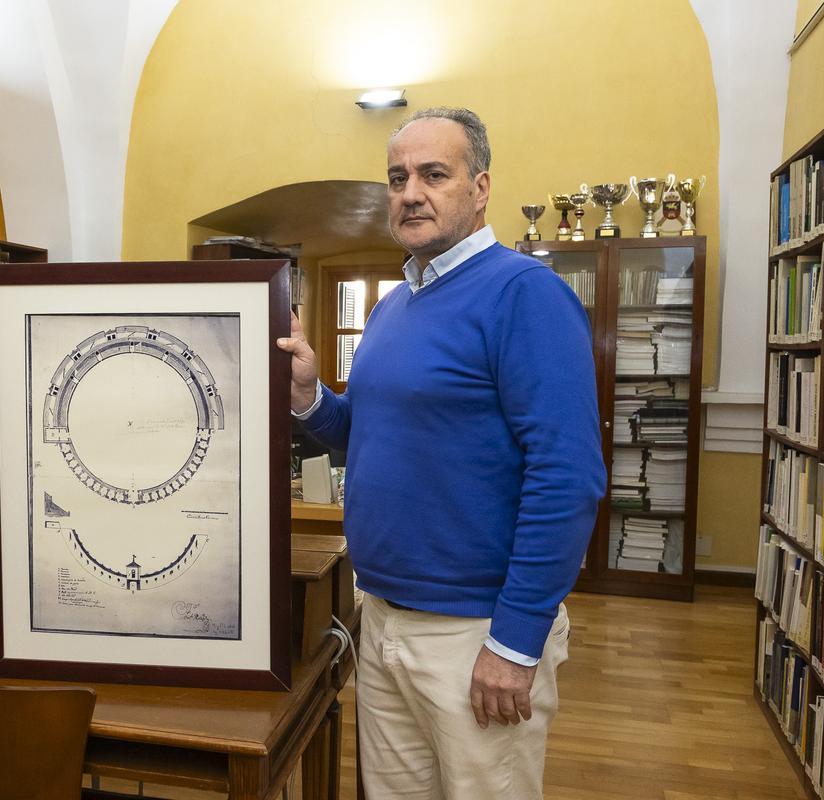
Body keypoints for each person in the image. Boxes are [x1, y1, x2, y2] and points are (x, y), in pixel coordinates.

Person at [276, 107, 606, 799]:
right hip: (385, 618)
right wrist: (310, 399)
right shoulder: (394, 307)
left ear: (480, 187)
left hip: (476, 635)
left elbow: (567, 479)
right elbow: (368, 431)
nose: (409, 193)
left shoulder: (525, 296)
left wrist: (514, 645)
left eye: (433, 174)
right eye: (397, 178)